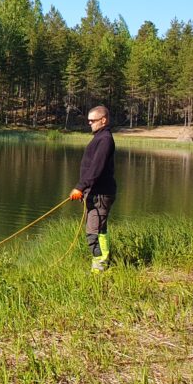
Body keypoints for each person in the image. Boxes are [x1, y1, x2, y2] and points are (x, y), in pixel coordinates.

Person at [69, 105, 116, 272]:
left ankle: (99, 272)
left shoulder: (105, 140)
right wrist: (85, 190)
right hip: (95, 192)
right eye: (88, 121)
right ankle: (102, 267)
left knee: (93, 234)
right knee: (100, 231)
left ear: (103, 120)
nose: (90, 123)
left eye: (93, 120)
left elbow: (97, 167)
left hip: (101, 194)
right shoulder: (100, 137)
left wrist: (80, 187)